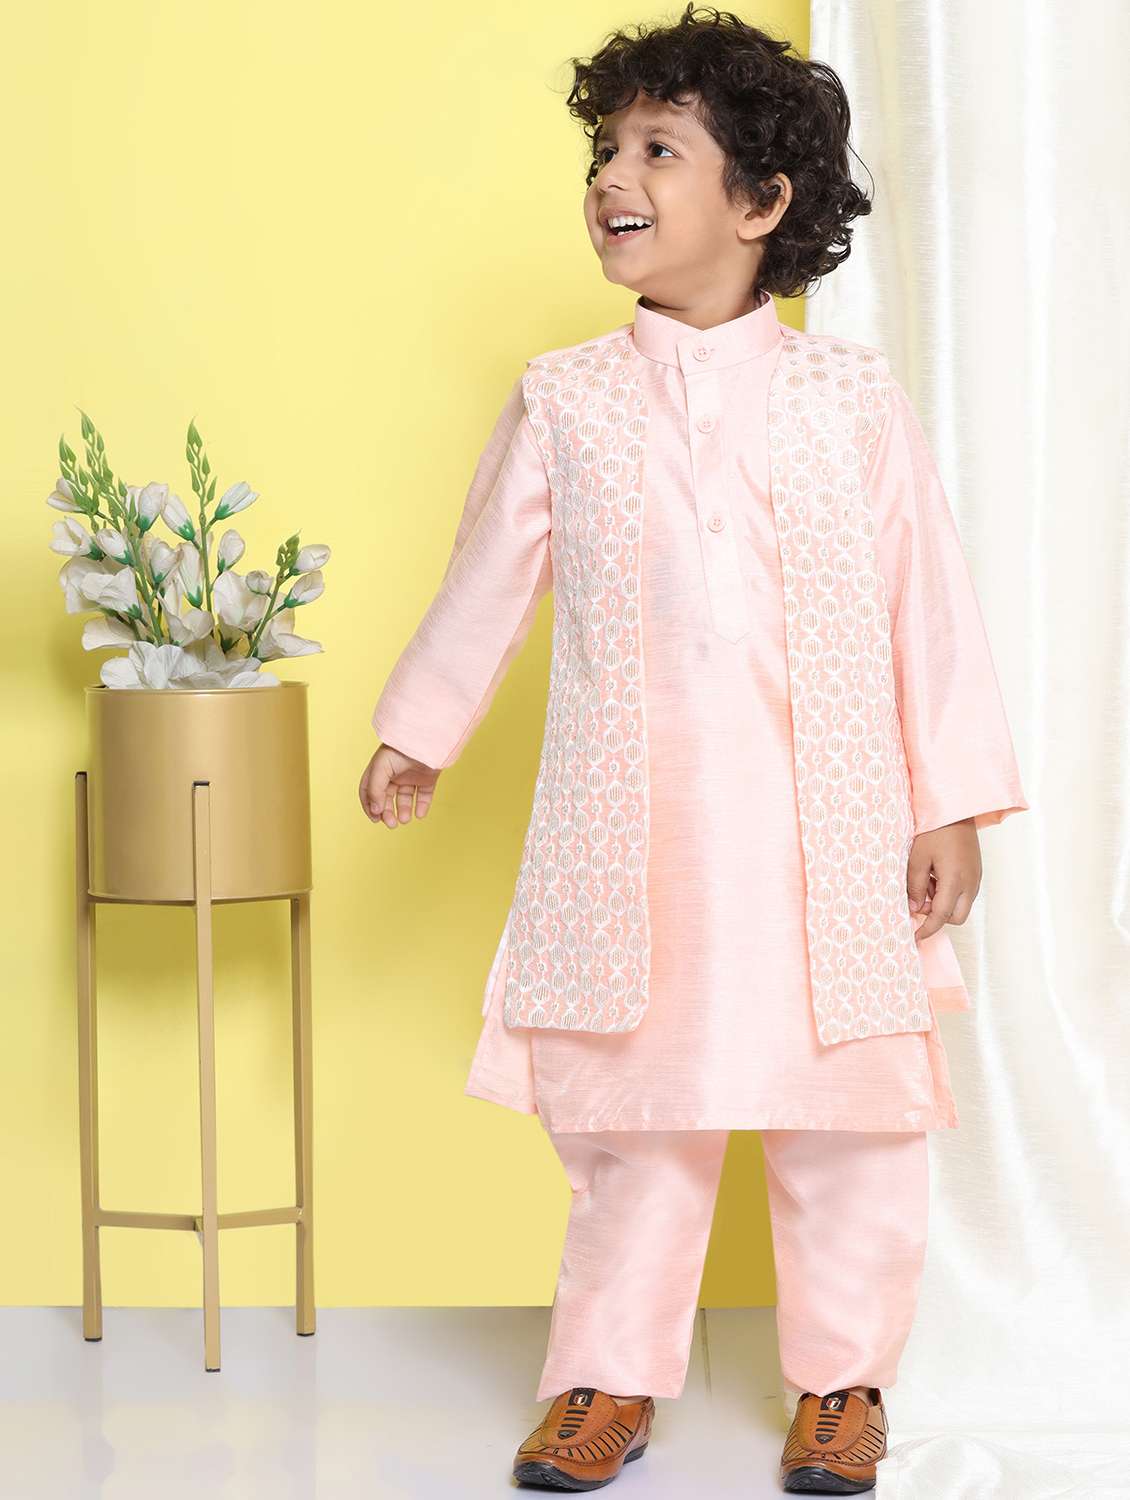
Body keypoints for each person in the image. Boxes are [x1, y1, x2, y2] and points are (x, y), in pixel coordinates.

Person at [358, 6, 1028, 1493]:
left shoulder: (849, 398)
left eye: (658, 149)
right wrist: (420, 732)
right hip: (637, 827)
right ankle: (606, 1378)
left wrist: (952, 804)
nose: (614, 175)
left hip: (830, 829)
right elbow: (487, 580)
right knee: (634, 1120)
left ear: (760, 201)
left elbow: (927, 601)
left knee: (848, 1120)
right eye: (606, 149)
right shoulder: (566, 398)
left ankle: (842, 1384)